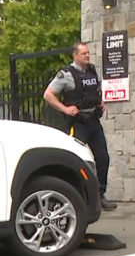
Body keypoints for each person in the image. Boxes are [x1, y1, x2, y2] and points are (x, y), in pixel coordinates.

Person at [43, 41, 117, 211]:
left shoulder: (91, 70)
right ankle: (76, 196)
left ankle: (100, 195)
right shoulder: (66, 75)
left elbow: (95, 90)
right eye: (84, 53)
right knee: (76, 160)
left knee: (103, 158)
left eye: (88, 53)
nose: (87, 56)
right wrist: (65, 109)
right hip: (78, 124)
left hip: (93, 122)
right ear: (75, 55)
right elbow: (48, 95)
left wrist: (101, 102)